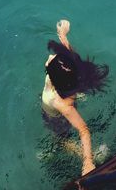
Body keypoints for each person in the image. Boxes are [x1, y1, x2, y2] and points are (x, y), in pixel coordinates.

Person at [42, 19, 109, 176]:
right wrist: (62, 36)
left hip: (57, 108)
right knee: (61, 139)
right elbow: (83, 130)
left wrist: (63, 36)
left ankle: (88, 158)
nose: (51, 57)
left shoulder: (53, 67)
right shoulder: (63, 102)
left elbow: (83, 130)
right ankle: (84, 156)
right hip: (56, 112)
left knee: (61, 138)